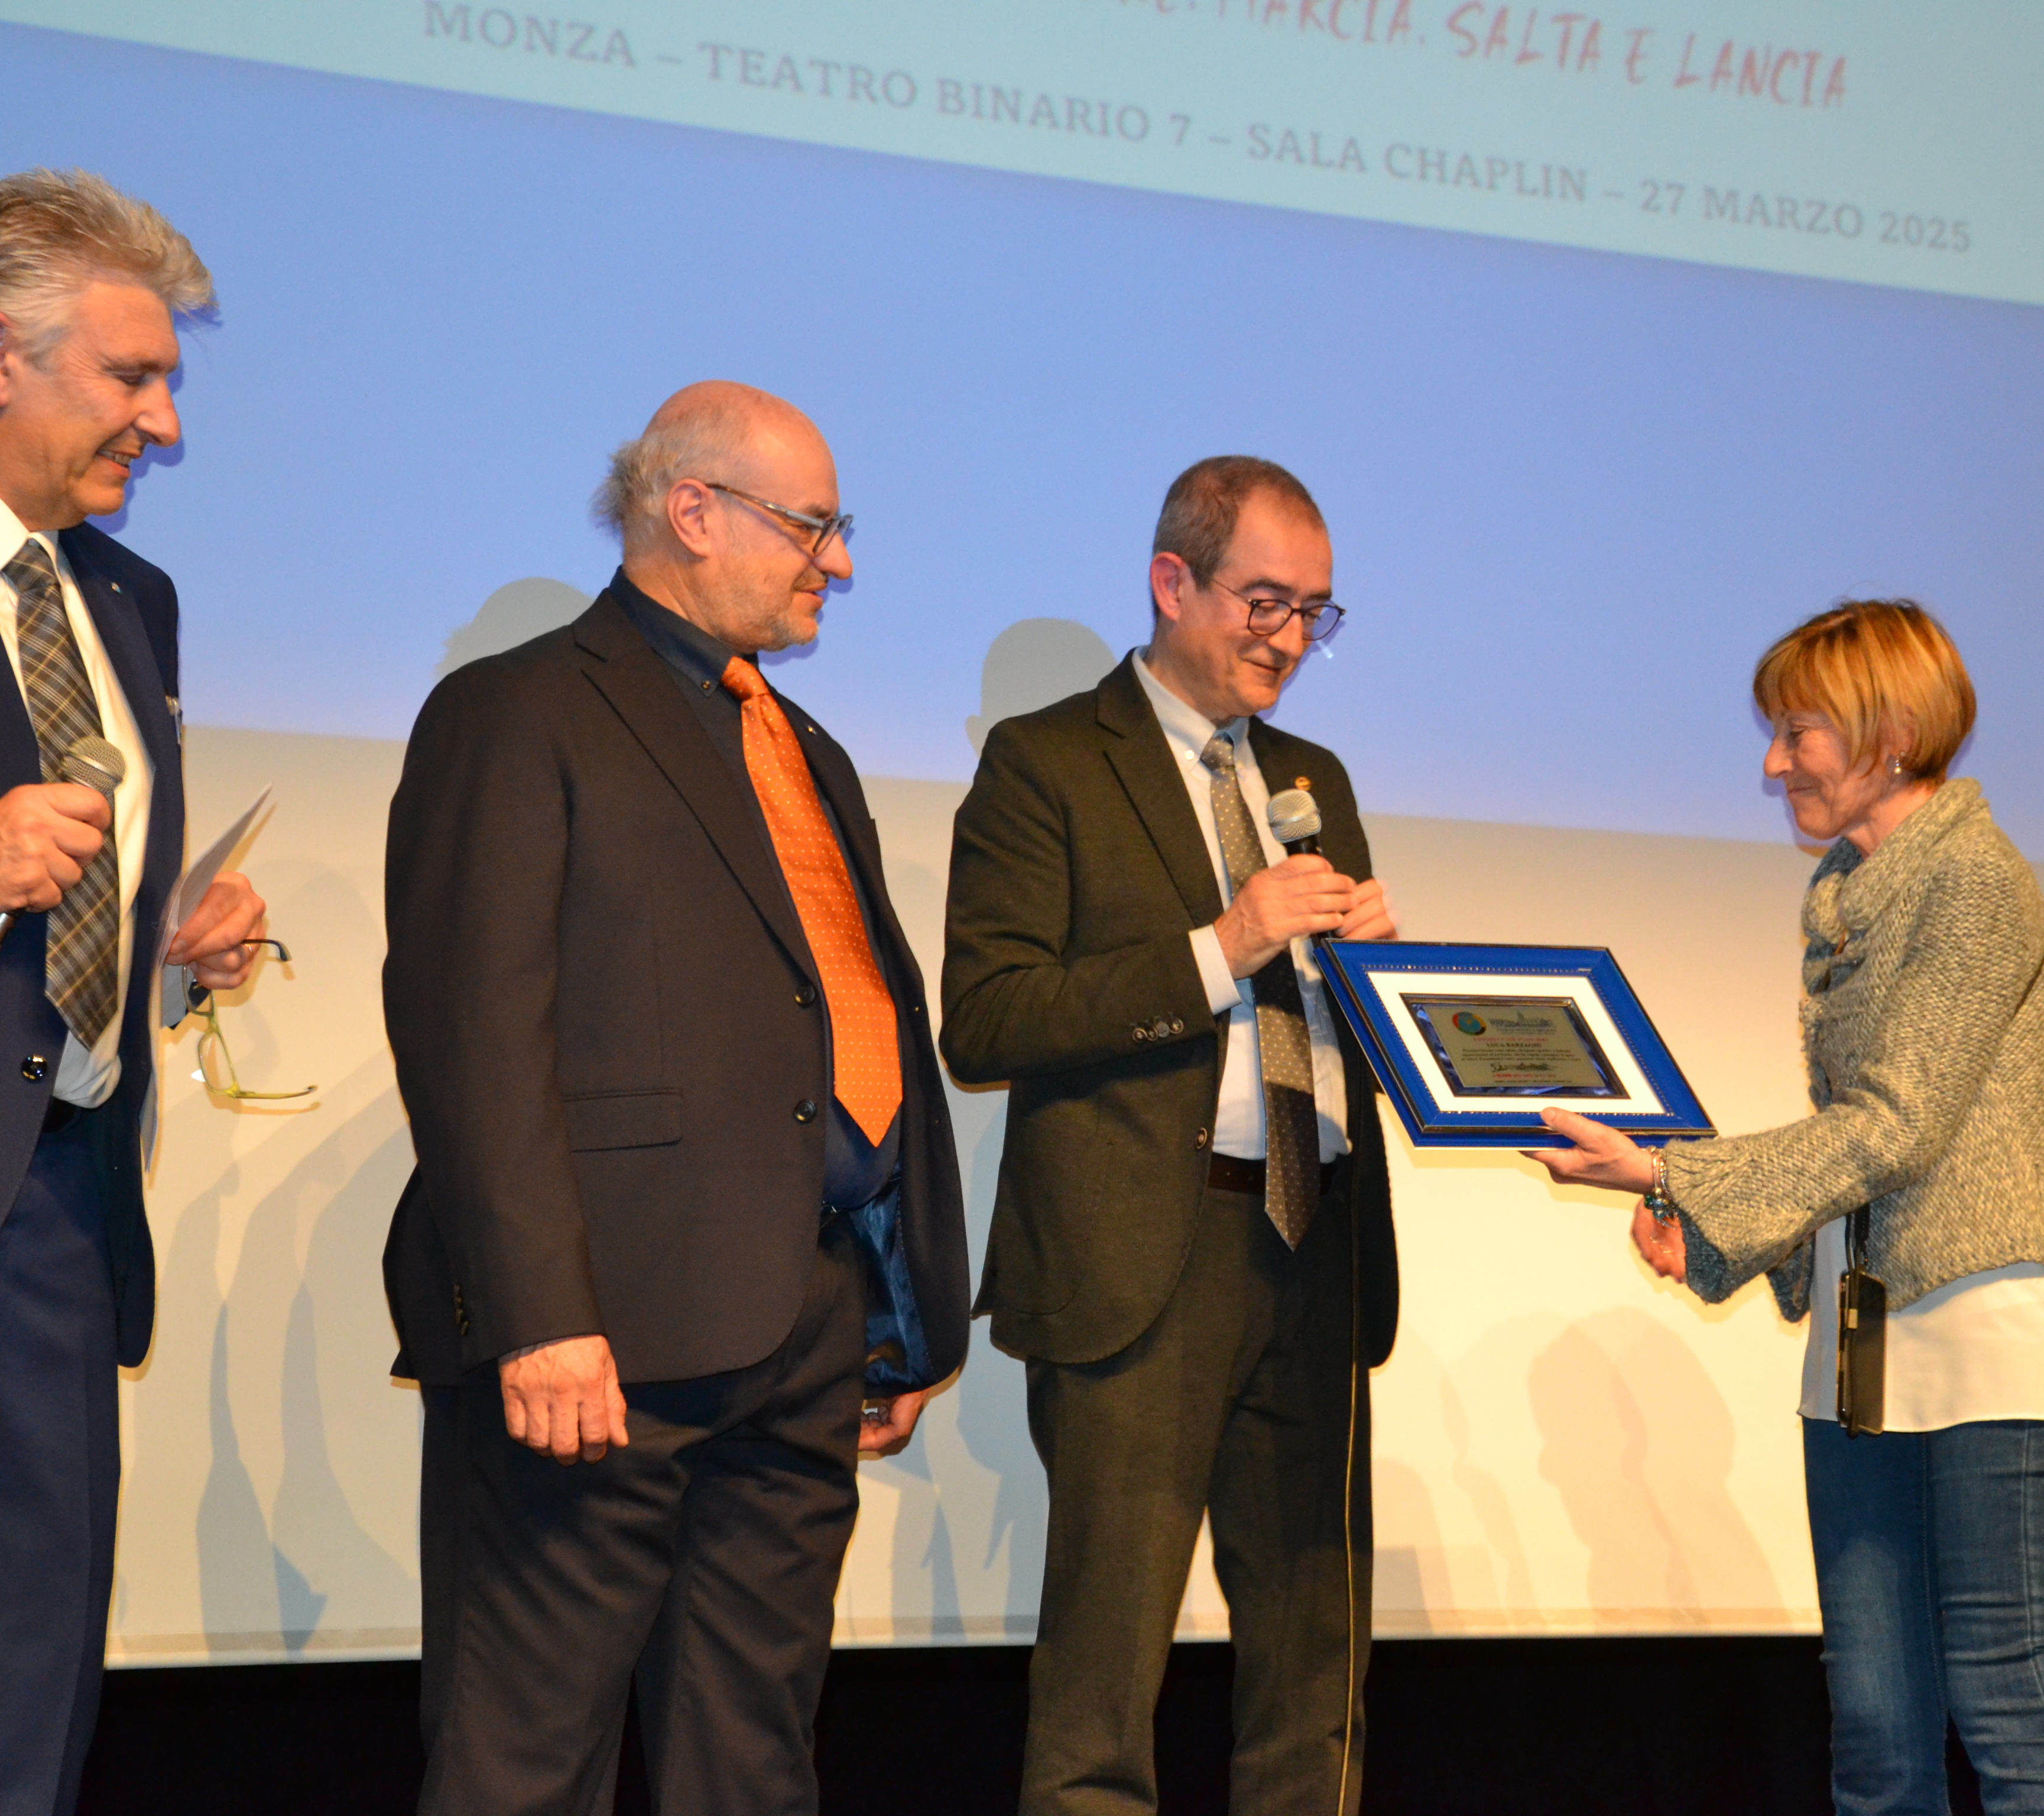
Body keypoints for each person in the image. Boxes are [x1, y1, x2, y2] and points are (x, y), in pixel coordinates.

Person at [380, 381, 969, 1814]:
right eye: (812, 526)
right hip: (600, 1341)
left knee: (751, 1761)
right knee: (526, 1763)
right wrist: (539, 1317)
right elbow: (471, 1036)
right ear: (691, 511)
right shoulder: (516, 710)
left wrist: (893, 1305)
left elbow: (843, 1017)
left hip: (802, 1329)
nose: (839, 561)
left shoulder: (804, 746)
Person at [1533, 599, 2044, 1816]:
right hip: (1863, 1352)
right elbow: (1866, 1152)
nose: (1773, 762)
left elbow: (1899, 1125)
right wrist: (1708, 1217)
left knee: (2009, 1710)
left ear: (1889, 736)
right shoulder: (1850, 894)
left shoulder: (1976, 880)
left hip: (1989, 1338)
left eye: (1798, 732)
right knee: (1879, 1736)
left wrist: (1677, 1174)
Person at [942, 456, 1401, 1816]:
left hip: (1316, 1238)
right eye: (1266, 602)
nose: (1290, 639)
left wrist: (1381, 974)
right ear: (1171, 582)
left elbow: (1328, 1027)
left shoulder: (1313, 776)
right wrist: (1223, 946)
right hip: (1146, 1258)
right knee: (1104, 1683)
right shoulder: (1046, 763)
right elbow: (988, 1020)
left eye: (1314, 612)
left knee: (1315, 1675)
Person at [0, 168, 271, 1816]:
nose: (163, 424)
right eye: (132, 376)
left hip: (61, 1200)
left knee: (37, 1659)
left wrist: (162, 952)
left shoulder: (126, 596)